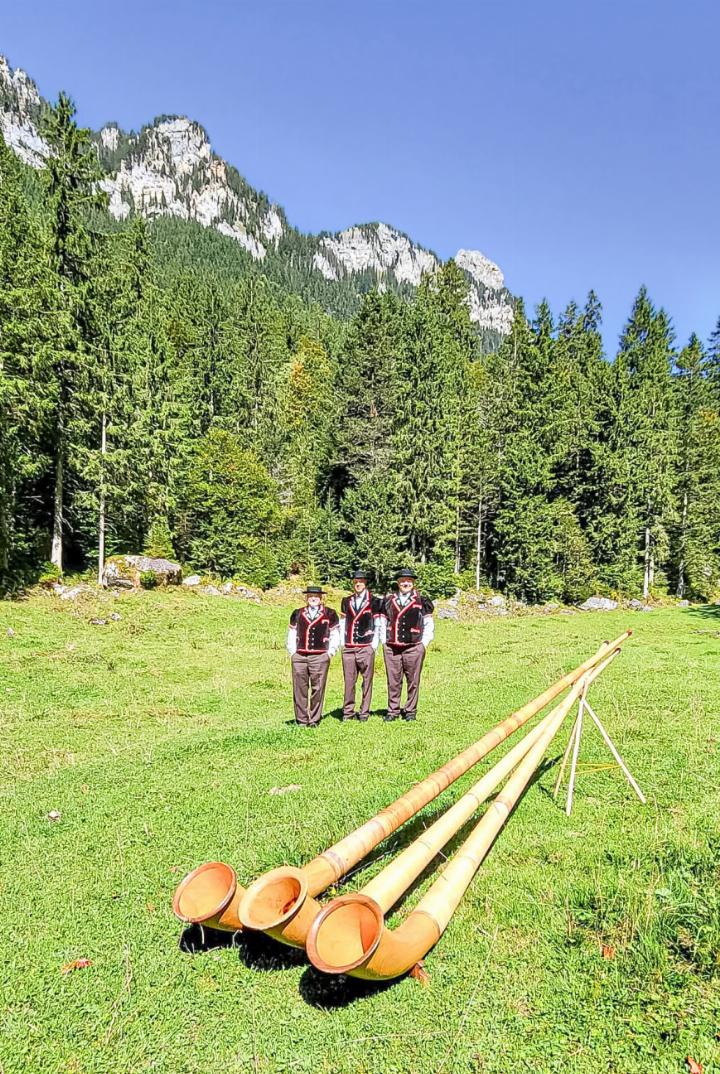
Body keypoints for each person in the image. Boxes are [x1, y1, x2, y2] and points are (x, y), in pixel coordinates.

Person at [380, 568, 434, 722]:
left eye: (409, 581)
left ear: (413, 582)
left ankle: (410, 711)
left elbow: (429, 624)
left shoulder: (422, 601)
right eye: (403, 581)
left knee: (413, 680)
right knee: (393, 680)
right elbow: (382, 622)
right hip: (392, 647)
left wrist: (423, 644)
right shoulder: (388, 600)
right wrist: (384, 642)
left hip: (414, 646)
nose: (405, 583)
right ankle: (393, 710)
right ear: (398, 583)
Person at [286, 586, 340, 727]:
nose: (313, 598)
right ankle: (302, 719)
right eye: (310, 596)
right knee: (299, 689)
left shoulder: (330, 613)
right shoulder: (297, 613)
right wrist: (293, 652)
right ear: (306, 597)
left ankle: (314, 719)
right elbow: (291, 633)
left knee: (318, 688)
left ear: (321, 598)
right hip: (300, 655)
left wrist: (330, 652)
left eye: (316, 596)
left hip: (320, 656)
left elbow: (335, 635)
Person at [339, 570, 383, 722]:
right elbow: (342, 623)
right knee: (349, 681)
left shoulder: (376, 601)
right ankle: (348, 712)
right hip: (349, 646)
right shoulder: (346, 601)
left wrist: (373, 645)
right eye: (356, 581)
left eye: (361, 581)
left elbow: (378, 624)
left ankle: (364, 712)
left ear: (365, 582)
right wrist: (342, 643)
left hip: (366, 645)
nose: (358, 584)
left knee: (367, 681)